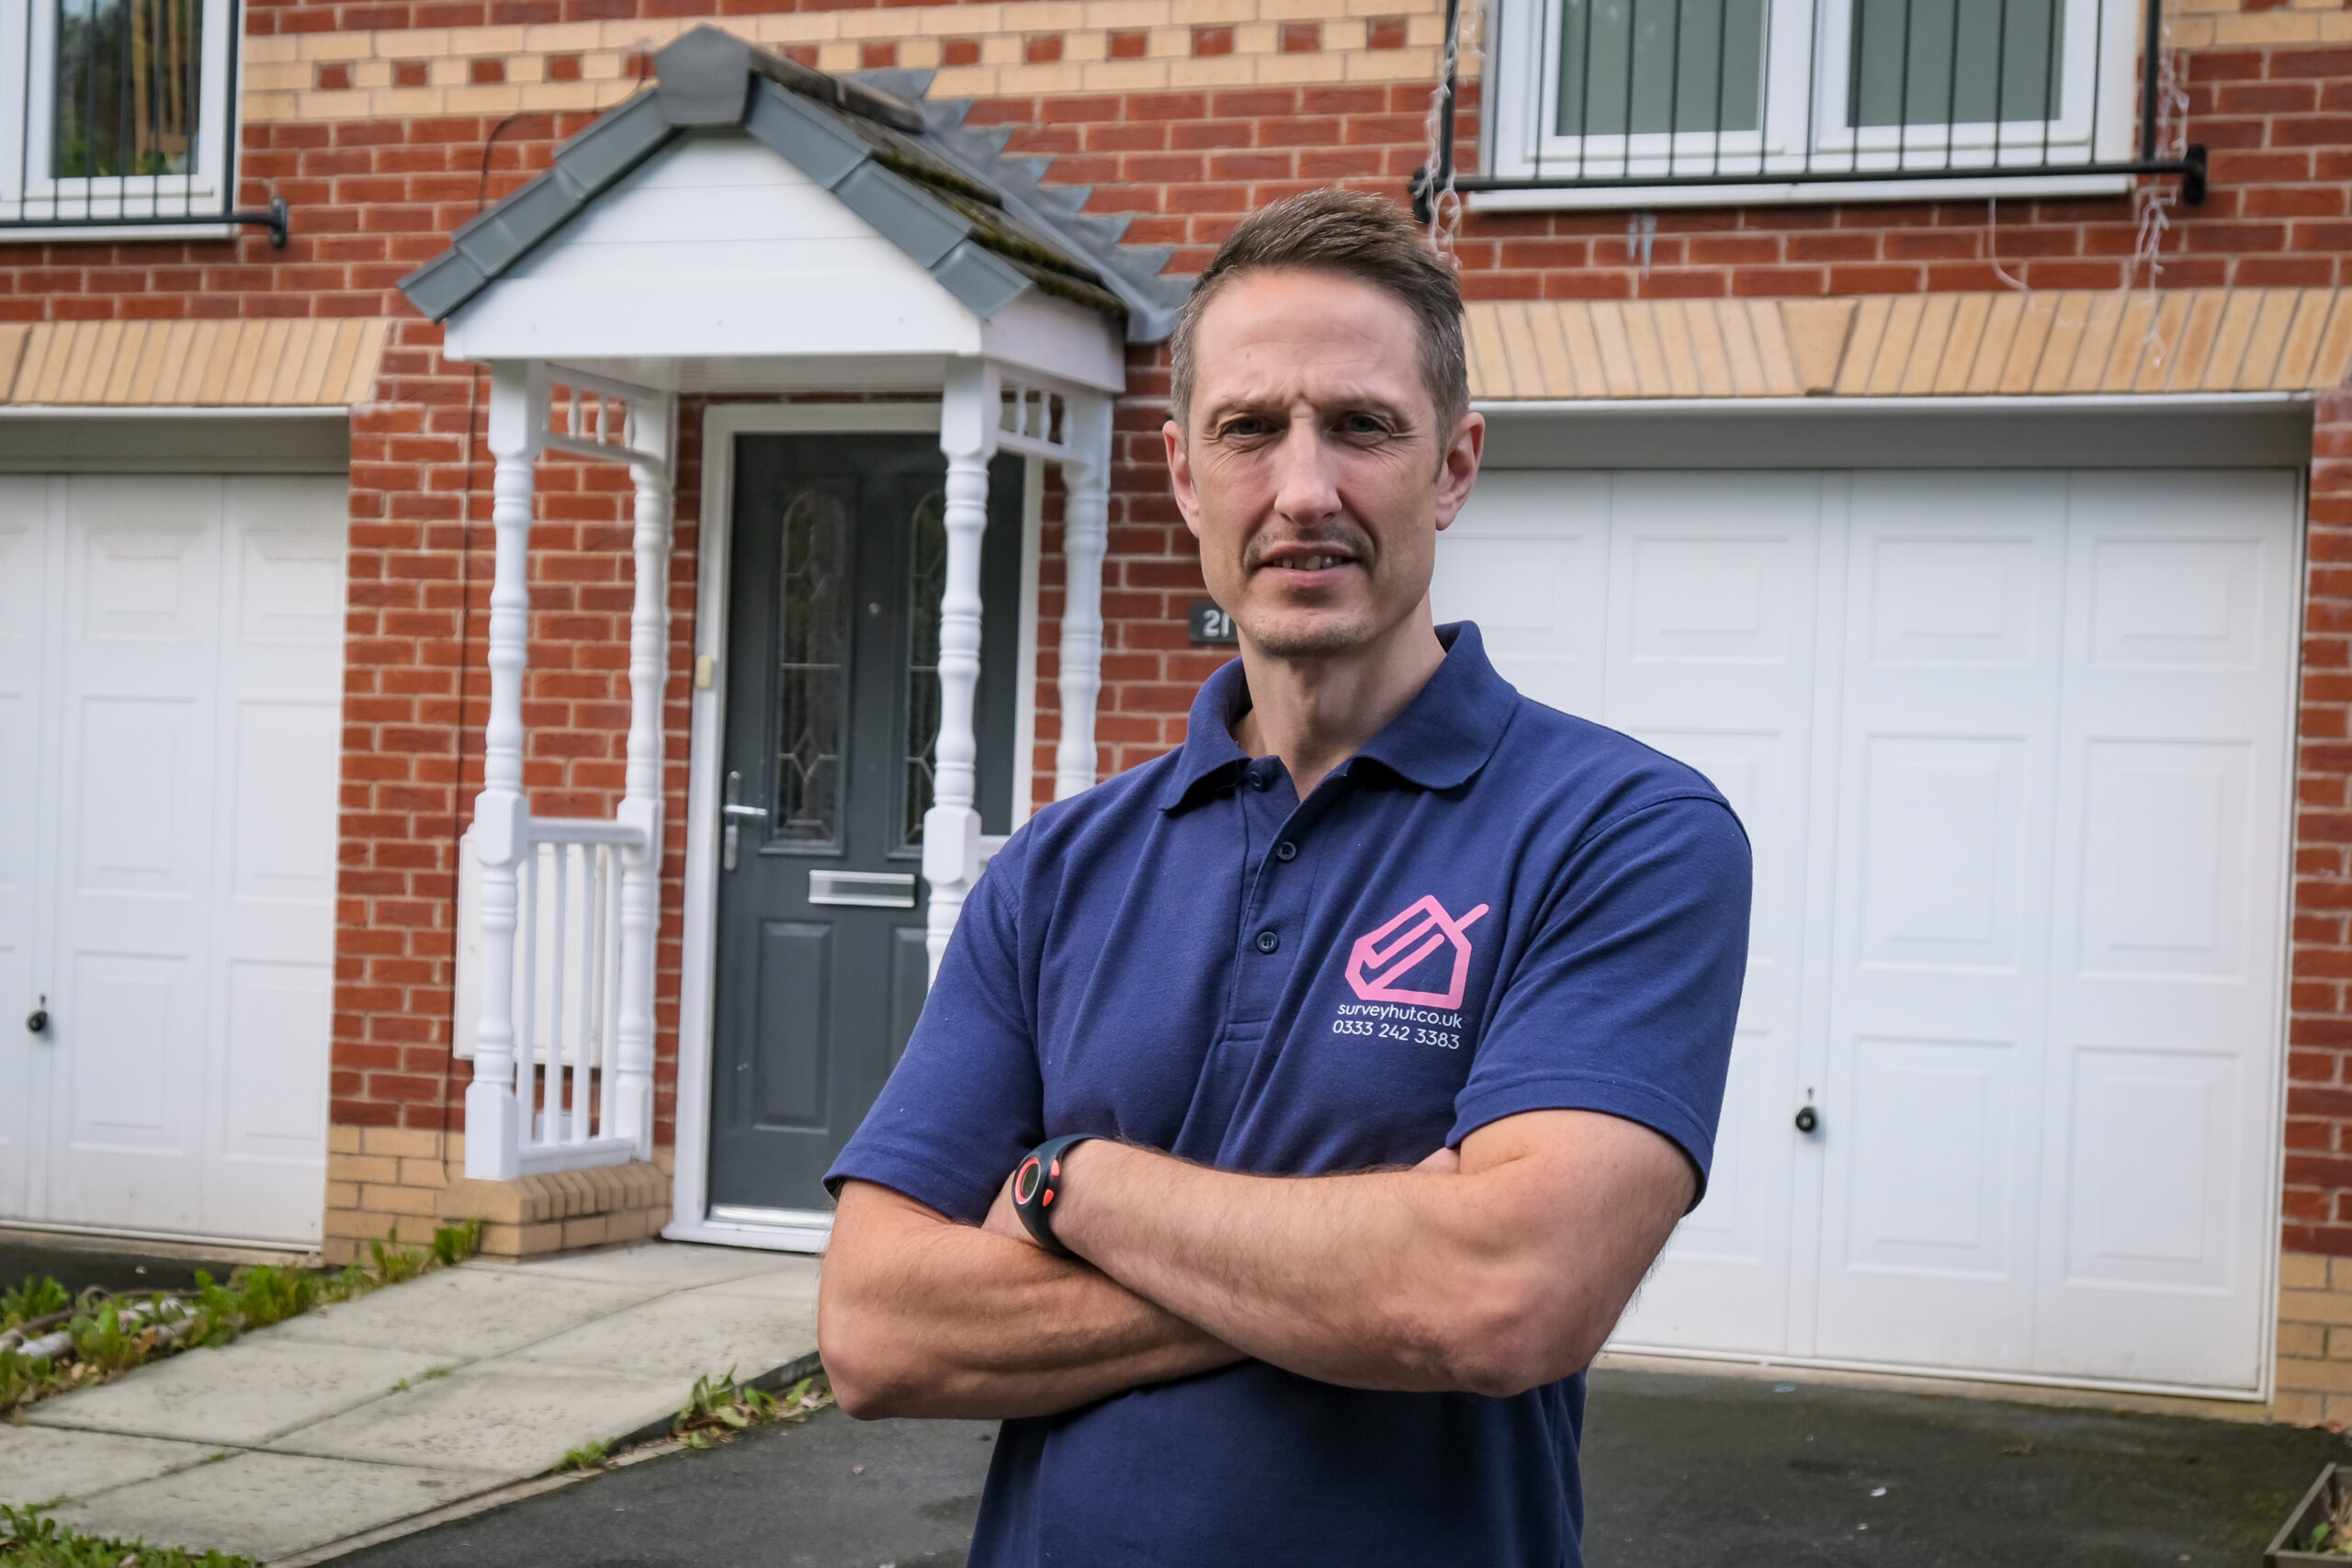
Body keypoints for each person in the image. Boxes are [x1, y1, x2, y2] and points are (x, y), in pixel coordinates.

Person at [816, 186, 1752, 1567]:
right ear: (1188, 475)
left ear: (1454, 465)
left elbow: (1504, 1296)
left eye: (1362, 426)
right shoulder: (1060, 871)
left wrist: (1076, 1189)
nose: (1303, 489)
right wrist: (1369, 1267)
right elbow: (876, 1332)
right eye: (1250, 429)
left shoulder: (1622, 832)